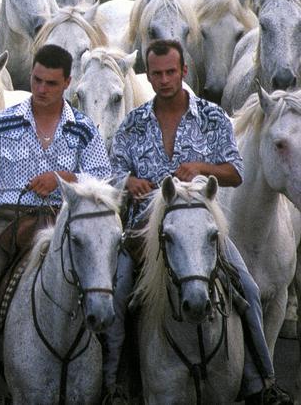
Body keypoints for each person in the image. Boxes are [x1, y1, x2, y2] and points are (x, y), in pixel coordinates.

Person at [102, 39, 292, 405]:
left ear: (184, 71)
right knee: (118, 292)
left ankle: (262, 381)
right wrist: (128, 181)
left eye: (170, 72)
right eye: (156, 74)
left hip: (202, 228)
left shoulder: (212, 117)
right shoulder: (133, 123)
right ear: (148, 76)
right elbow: (112, 172)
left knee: (248, 289)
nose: (164, 80)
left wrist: (203, 167)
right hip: (145, 230)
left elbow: (235, 172)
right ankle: (113, 385)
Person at [0, 44, 112, 400]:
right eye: (37, 80)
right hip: (11, 226)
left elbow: (104, 180)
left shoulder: (83, 129)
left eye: (51, 83)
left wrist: (62, 177)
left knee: (106, 290)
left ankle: (114, 381)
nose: (41, 89)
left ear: (67, 83)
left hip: (65, 225)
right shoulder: (3, 123)